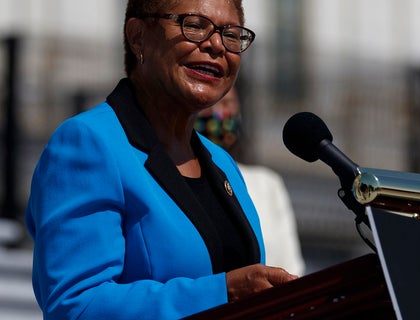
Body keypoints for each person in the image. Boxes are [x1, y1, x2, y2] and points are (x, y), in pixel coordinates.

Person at [25, 0, 298, 319]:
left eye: (232, 34)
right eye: (195, 25)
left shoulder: (223, 165)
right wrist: (224, 292)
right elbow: (77, 307)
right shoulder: (88, 144)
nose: (215, 45)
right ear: (138, 36)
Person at [196, 86, 306, 276]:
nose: (218, 112)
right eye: (209, 104)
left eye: (226, 102)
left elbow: (292, 265)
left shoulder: (267, 183)